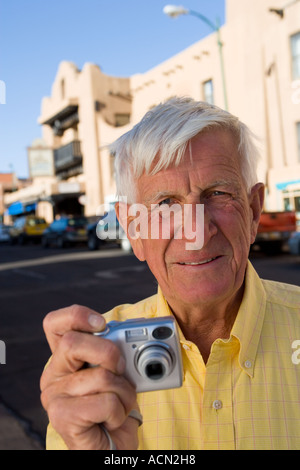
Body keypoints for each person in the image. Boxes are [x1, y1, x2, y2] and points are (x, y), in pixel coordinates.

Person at [40, 97, 300, 450]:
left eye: (217, 193)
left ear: (253, 212)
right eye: (165, 205)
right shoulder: (93, 365)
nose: (196, 232)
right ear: (133, 230)